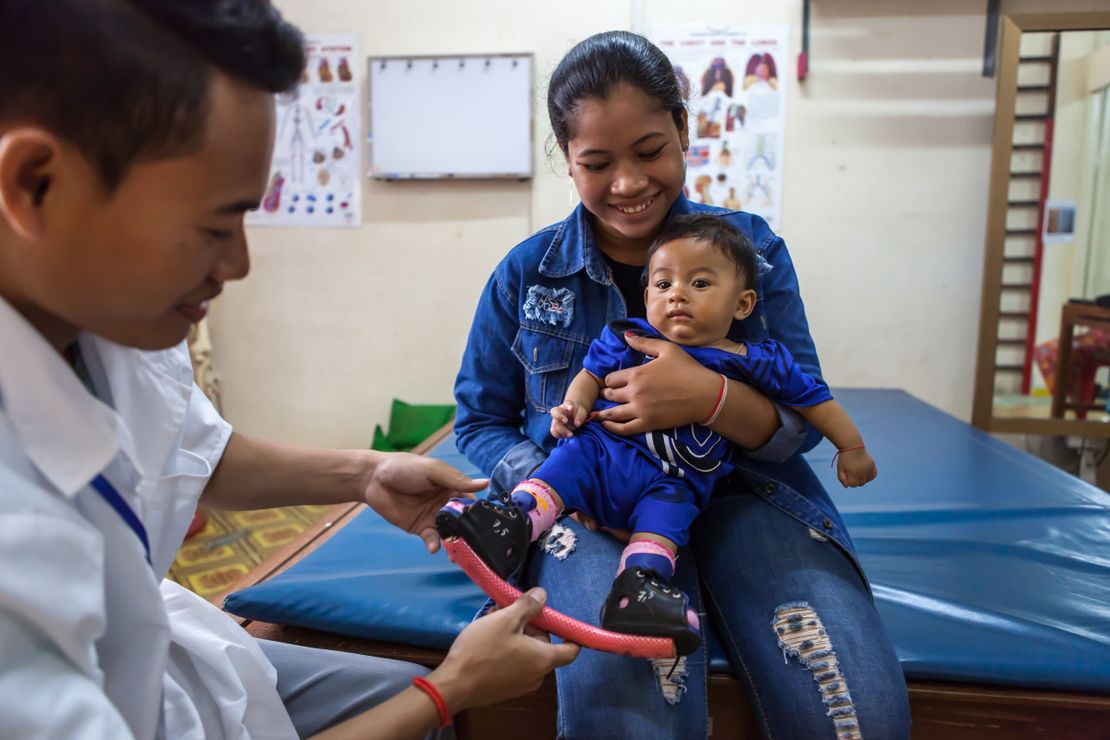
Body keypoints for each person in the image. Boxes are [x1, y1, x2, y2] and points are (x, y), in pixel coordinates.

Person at [0, 2, 577, 739]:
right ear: (35, 184)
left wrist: (365, 473)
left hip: (169, 661)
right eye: (214, 227)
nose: (237, 265)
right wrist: (450, 690)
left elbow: (188, 449)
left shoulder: (103, 318)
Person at [453, 30, 909, 738]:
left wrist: (712, 399)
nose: (629, 183)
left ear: (685, 131)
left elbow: (799, 427)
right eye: (597, 162)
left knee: (859, 719)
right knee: (621, 697)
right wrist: (552, 484)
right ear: (566, 162)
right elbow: (480, 420)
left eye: (649, 151)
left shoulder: (753, 251)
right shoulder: (528, 272)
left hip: (742, 497)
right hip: (591, 504)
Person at [441, 214, 877, 656]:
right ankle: (512, 522)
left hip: (673, 481)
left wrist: (852, 446)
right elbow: (589, 375)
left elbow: (813, 401)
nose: (678, 296)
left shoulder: (758, 359)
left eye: (701, 285)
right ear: (647, 294)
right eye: (663, 286)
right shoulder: (629, 336)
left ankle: (641, 584)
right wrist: (573, 407)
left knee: (666, 519)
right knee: (566, 462)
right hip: (601, 457)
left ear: (743, 304)